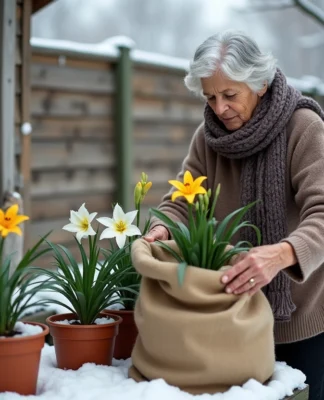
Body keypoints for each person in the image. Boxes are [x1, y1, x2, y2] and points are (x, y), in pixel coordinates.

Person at [144, 30, 324, 400]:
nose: (219, 108)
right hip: (234, 319)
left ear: (260, 83)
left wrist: (280, 254)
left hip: (306, 325)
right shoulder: (208, 137)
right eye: (210, 96)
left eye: (230, 95)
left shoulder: (304, 128)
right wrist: (162, 228)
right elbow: (182, 200)